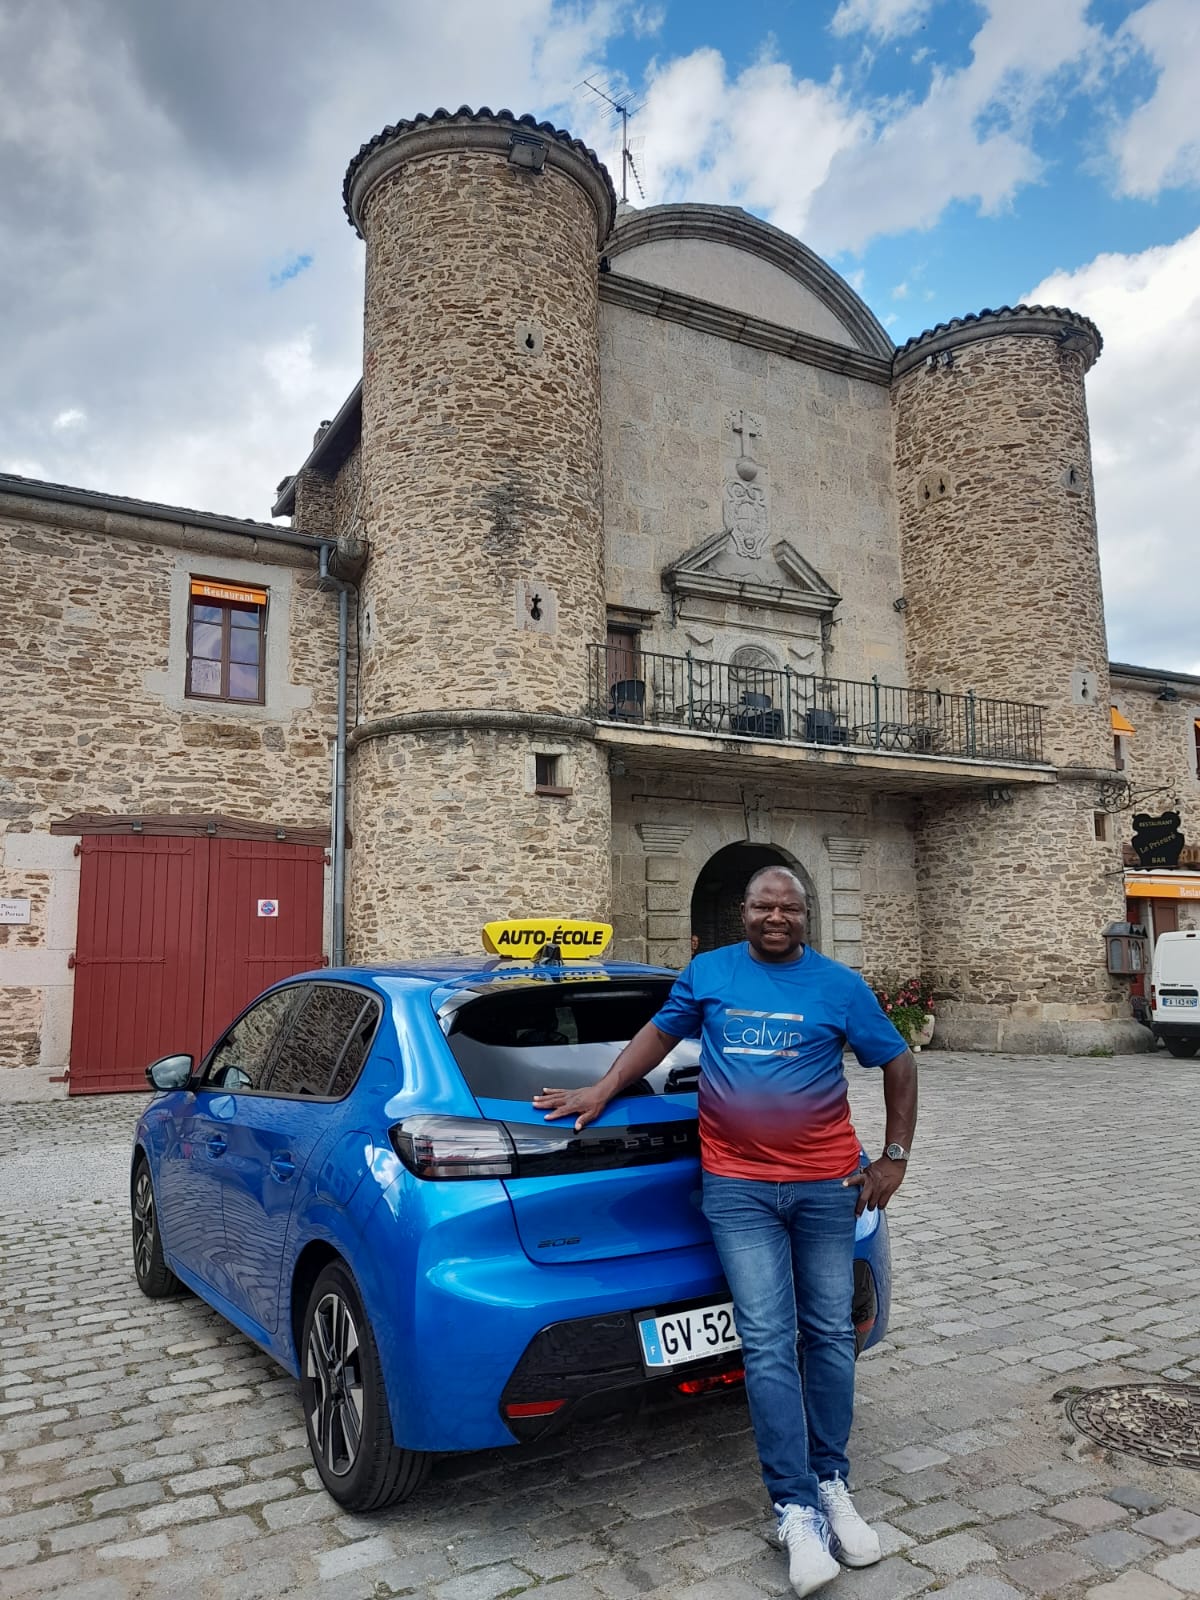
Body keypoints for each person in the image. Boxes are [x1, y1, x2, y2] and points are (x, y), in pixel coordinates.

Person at [533, 866, 917, 1598]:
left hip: (827, 1186)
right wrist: (603, 1088)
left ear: (805, 914)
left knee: (830, 1334)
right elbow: (657, 1035)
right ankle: (794, 1506)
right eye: (764, 906)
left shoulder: (839, 985)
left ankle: (832, 1482)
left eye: (789, 908)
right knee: (768, 1341)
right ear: (745, 911)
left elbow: (898, 1062)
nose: (776, 917)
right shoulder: (710, 973)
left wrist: (894, 1157)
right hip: (738, 1190)